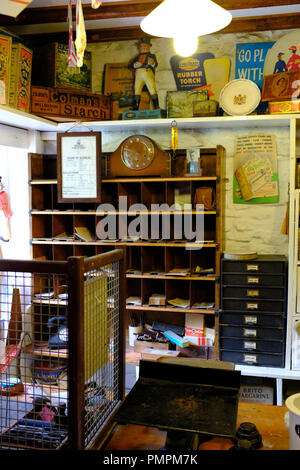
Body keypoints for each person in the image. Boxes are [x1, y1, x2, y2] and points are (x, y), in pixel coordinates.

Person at [129, 37, 159, 110]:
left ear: (148, 47)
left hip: (147, 72)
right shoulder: (136, 57)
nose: (143, 48)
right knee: (137, 90)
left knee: (152, 89)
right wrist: (134, 65)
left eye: (144, 46)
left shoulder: (152, 56)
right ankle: (135, 108)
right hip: (138, 74)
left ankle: (156, 107)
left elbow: (155, 64)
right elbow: (130, 65)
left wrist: (152, 63)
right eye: (141, 46)